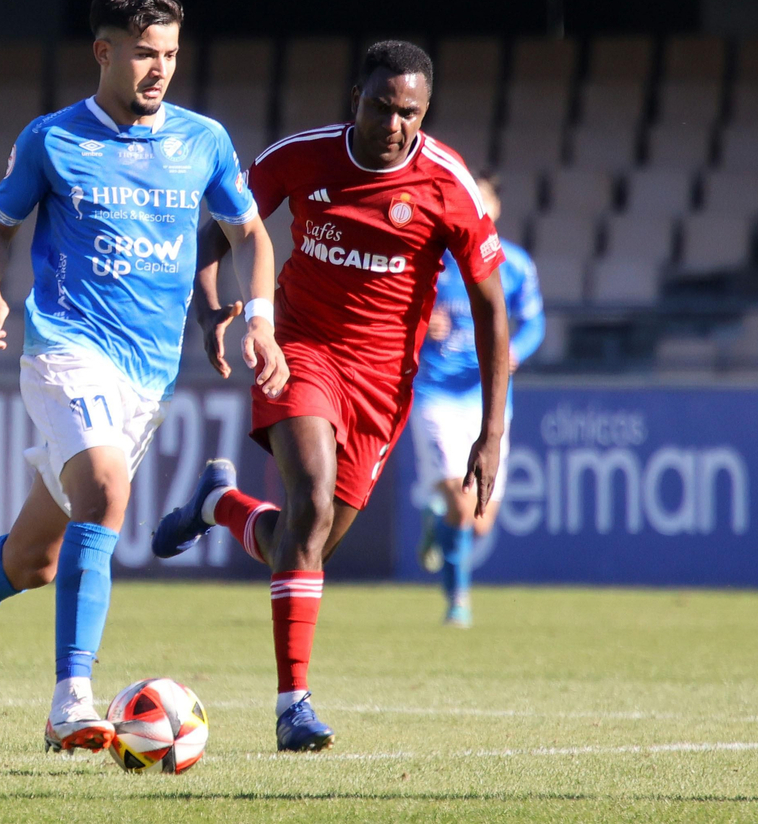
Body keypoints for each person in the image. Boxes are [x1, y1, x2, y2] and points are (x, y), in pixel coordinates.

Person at [0, 0, 288, 755]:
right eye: (146, 53)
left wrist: (253, 318)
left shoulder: (203, 141)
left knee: (32, 560)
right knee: (107, 489)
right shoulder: (53, 140)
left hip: (146, 380)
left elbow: (250, 235)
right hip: (64, 350)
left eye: (172, 54)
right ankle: (70, 700)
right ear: (104, 52)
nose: (161, 69)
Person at [153, 41, 512, 752]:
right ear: (357, 98)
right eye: (382, 106)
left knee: (305, 542)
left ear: (425, 112)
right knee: (312, 503)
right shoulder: (302, 156)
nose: (394, 123)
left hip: (384, 387)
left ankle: (216, 505)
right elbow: (221, 230)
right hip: (301, 352)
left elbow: (491, 311)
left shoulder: (448, 185)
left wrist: (491, 433)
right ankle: (294, 707)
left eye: (409, 112)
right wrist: (208, 305)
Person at [409, 173, 544, 628]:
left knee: (480, 520)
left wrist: (515, 351)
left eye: (483, 202)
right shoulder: (435, 262)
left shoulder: (517, 265)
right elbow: (396, 317)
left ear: (496, 209)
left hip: (487, 402)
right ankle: (457, 602)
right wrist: (426, 327)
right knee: (464, 507)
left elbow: (535, 324)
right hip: (435, 396)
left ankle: (435, 518)